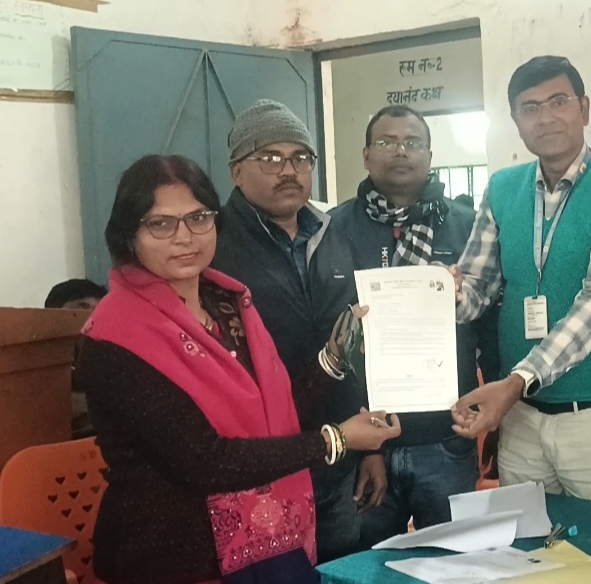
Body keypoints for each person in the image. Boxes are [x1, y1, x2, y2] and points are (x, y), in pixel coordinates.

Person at [75, 155, 401, 584]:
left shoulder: (228, 305)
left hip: (267, 542)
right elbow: (207, 461)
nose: (184, 237)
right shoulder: (115, 335)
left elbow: (275, 420)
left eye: (198, 218)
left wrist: (334, 356)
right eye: (161, 224)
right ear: (129, 234)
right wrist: (336, 439)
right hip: (172, 558)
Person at [448, 55, 591, 507]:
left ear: (584, 108)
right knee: (527, 545)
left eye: (558, 102)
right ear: (515, 122)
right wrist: (441, 293)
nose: (545, 118)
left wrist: (517, 381)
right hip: (522, 418)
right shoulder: (502, 188)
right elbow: (477, 290)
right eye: (530, 108)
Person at [210, 99, 381, 561]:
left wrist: (370, 451)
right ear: (236, 171)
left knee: (341, 570)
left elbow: (356, 343)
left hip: (338, 462)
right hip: (262, 471)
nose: (289, 170)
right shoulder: (213, 246)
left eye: (301, 157)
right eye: (270, 157)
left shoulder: (334, 235)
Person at [330, 104, 500, 547]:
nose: (400, 151)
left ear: (429, 154)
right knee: (367, 565)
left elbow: (489, 324)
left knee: (455, 563)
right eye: (386, 142)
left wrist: (498, 415)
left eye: (412, 142)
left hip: (447, 438)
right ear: (366, 154)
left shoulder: (467, 228)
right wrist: (366, 448)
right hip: (364, 441)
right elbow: (330, 338)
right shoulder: (333, 229)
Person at [46, 278, 108, 438]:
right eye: (82, 307)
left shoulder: (113, 366)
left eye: (99, 309)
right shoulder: (40, 374)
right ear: (51, 316)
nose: (91, 317)